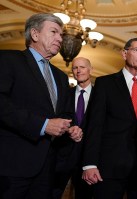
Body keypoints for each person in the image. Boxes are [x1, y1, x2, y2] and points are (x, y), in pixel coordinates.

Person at [0, 13, 83, 199]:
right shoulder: (8, 60)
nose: (60, 38)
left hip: (48, 169)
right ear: (35, 35)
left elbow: (66, 113)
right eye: (54, 32)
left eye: (61, 34)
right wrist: (43, 125)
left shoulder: (61, 76)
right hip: (12, 166)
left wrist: (72, 128)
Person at [82, 37, 137, 199]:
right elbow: (95, 125)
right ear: (124, 53)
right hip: (108, 167)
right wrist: (89, 164)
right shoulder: (105, 83)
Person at [53, 57, 93, 199]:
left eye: (82, 67)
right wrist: (68, 129)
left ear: (90, 70)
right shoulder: (64, 95)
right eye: (75, 68)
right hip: (63, 154)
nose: (78, 70)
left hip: (87, 157)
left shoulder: (100, 96)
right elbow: (58, 117)